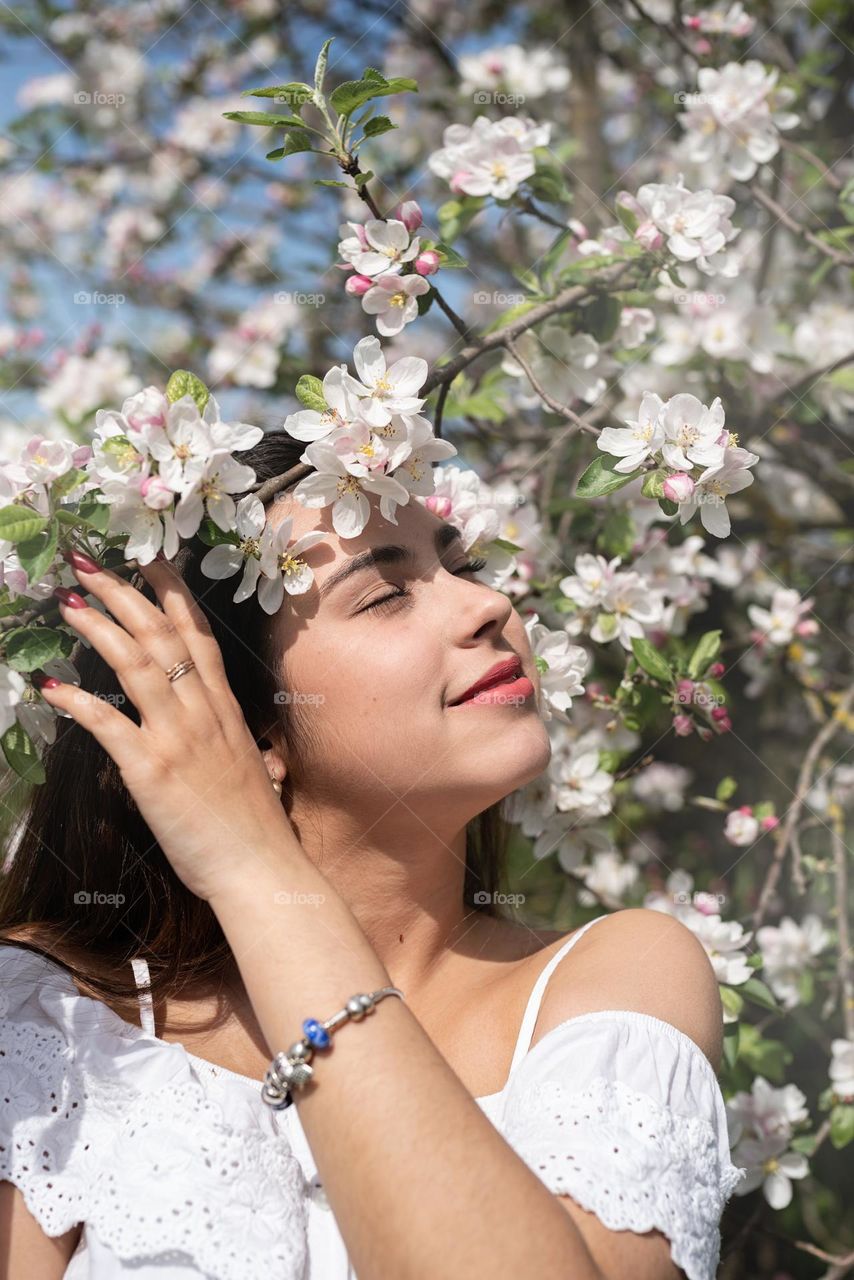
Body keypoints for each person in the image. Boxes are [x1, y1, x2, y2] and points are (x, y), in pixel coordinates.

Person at [0, 430, 744, 1279]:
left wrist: (255, 872)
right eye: (387, 594)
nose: (487, 607)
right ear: (251, 727)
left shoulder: (616, 981)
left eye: (461, 567)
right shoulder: (46, 1025)